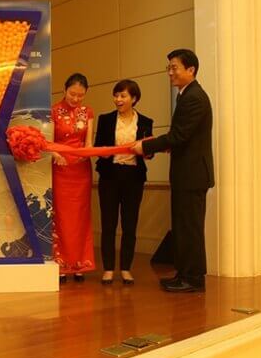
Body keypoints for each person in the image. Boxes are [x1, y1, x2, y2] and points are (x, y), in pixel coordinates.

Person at [133, 49, 214, 293]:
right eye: (168, 67)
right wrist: (168, 145)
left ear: (191, 69)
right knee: (183, 227)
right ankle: (184, 274)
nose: (170, 72)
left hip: (192, 175)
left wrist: (145, 145)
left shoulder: (194, 97)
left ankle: (193, 278)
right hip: (186, 174)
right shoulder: (186, 95)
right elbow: (184, 136)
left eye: (174, 67)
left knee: (190, 228)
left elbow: (179, 135)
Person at [94, 80, 153, 285]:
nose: (118, 100)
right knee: (108, 224)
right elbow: (98, 147)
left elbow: (150, 153)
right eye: (116, 95)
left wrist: (146, 150)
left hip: (133, 177)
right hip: (109, 176)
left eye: (123, 96)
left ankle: (126, 268)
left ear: (134, 99)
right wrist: (103, 152)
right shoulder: (105, 119)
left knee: (130, 224)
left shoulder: (145, 122)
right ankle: (108, 269)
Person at [51, 73, 95, 283]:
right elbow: (49, 141)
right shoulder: (53, 111)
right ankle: (61, 264)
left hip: (81, 169)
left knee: (80, 216)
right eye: (72, 94)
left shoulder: (88, 112)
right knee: (61, 216)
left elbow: (89, 142)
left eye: (80, 95)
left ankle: (79, 264)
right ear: (64, 90)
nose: (76, 99)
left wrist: (86, 154)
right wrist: (55, 154)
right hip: (61, 168)